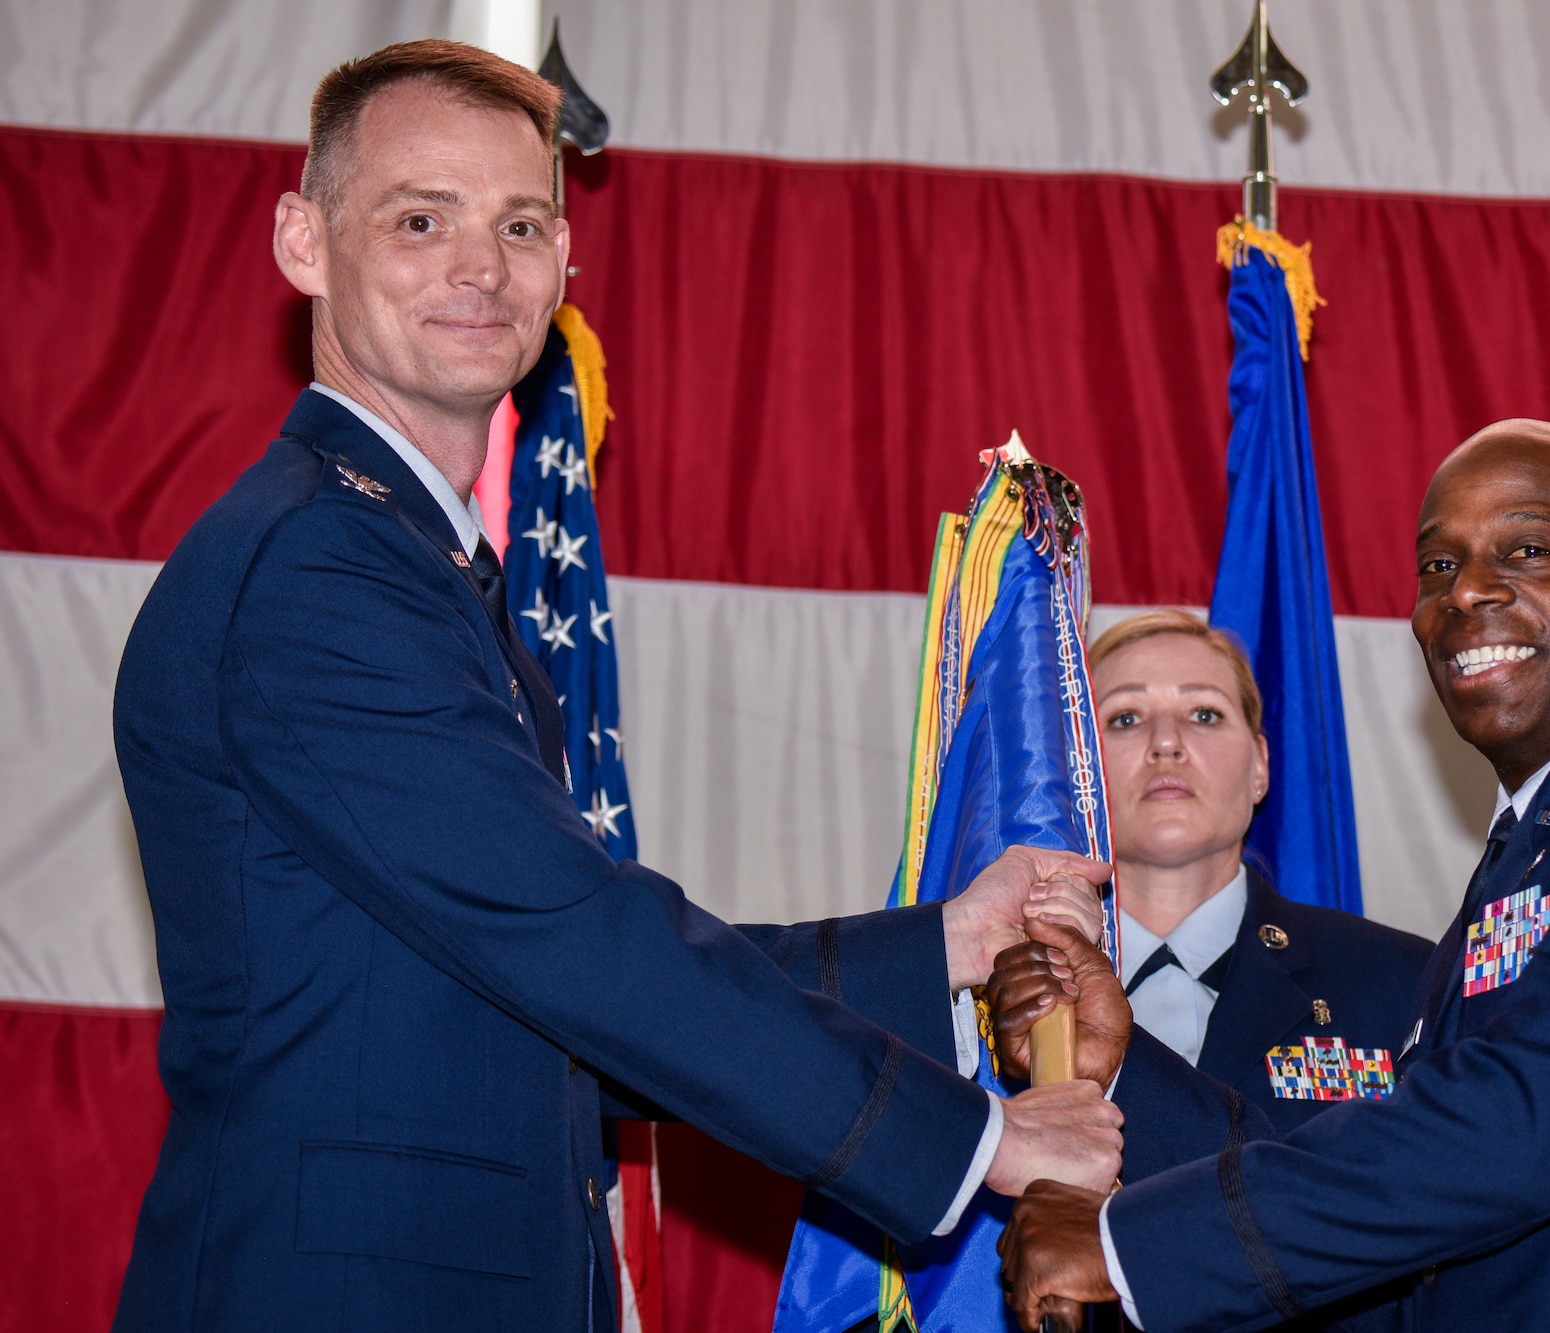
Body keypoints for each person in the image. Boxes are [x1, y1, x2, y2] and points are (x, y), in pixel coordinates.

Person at [109, 41, 1120, 1333]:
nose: (481, 266)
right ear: (304, 240)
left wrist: (941, 948)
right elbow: (573, 939)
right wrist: (985, 1140)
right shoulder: (320, 565)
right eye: (421, 219)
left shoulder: (403, 557)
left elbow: (522, 985)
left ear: (563, 265)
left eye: (521, 224)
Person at [998, 419, 1550, 1332]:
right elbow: (1409, 1245)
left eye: (1528, 549)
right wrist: (1123, 1070)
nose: (1468, 594)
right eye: (1438, 567)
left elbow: (1514, 1129)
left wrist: (1133, 1245)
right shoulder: (1534, 849)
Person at [1073, 611, 1429, 1134]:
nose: (1166, 742)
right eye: (1125, 717)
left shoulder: (1407, 980)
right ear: (1078, 766)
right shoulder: (1010, 995)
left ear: (1259, 765)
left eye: (1204, 715)